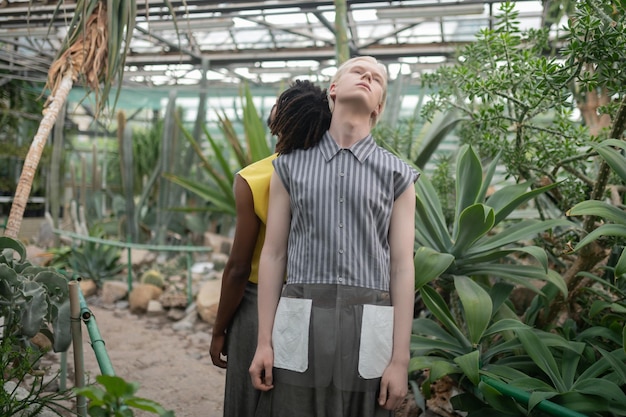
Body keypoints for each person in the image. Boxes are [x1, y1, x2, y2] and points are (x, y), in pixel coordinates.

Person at [249, 56, 419, 417]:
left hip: (368, 327)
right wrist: (264, 342)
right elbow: (274, 254)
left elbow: (403, 266)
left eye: (377, 79)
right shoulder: (288, 167)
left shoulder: (398, 176)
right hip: (300, 321)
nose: (368, 77)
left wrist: (400, 360)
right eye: (359, 71)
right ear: (334, 88)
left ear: (380, 107)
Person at [209, 79, 332, 417]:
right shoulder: (337, 173)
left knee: (246, 401)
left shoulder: (255, 177)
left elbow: (237, 267)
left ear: (280, 118)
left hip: (255, 302)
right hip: (317, 305)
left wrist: (219, 330)